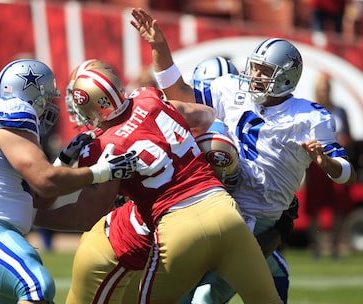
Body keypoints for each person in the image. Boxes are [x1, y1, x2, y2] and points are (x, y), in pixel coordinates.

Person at [130, 7, 357, 304]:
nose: (255, 75)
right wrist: (159, 46)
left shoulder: (309, 116)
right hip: (218, 205)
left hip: (259, 219)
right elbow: (179, 91)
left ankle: (273, 270)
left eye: (264, 71)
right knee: (176, 294)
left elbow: (347, 173)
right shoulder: (231, 89)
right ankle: (273, 270)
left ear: (287, 77)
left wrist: (326, 163)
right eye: (254, 67)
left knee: (204, 299)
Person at [56, 66, 282, 303]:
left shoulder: (100, 149)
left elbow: (87, 209)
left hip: (177, 227)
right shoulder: (148, 98)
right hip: (225, 210)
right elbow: (207, 116)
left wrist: (62, 163)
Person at [0, 58, 138, 304]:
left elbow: (40, 200)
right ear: (32, 93)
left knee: (40, 296)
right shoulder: (14, 109)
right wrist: (105, 171)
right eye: (46, 98)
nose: (48, 106)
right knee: (36, 285)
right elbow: (45, 181)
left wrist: (64, 160)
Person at [305, 72, 353, 259]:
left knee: (339, 205)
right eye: (321, 89)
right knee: (314, 206)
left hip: (337, 161)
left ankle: (335, 245)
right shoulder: (310, 110)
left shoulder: (340, 111)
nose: (323, 92)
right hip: (317, 165)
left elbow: (348, 134)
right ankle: (315, 246)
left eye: (326, 89)